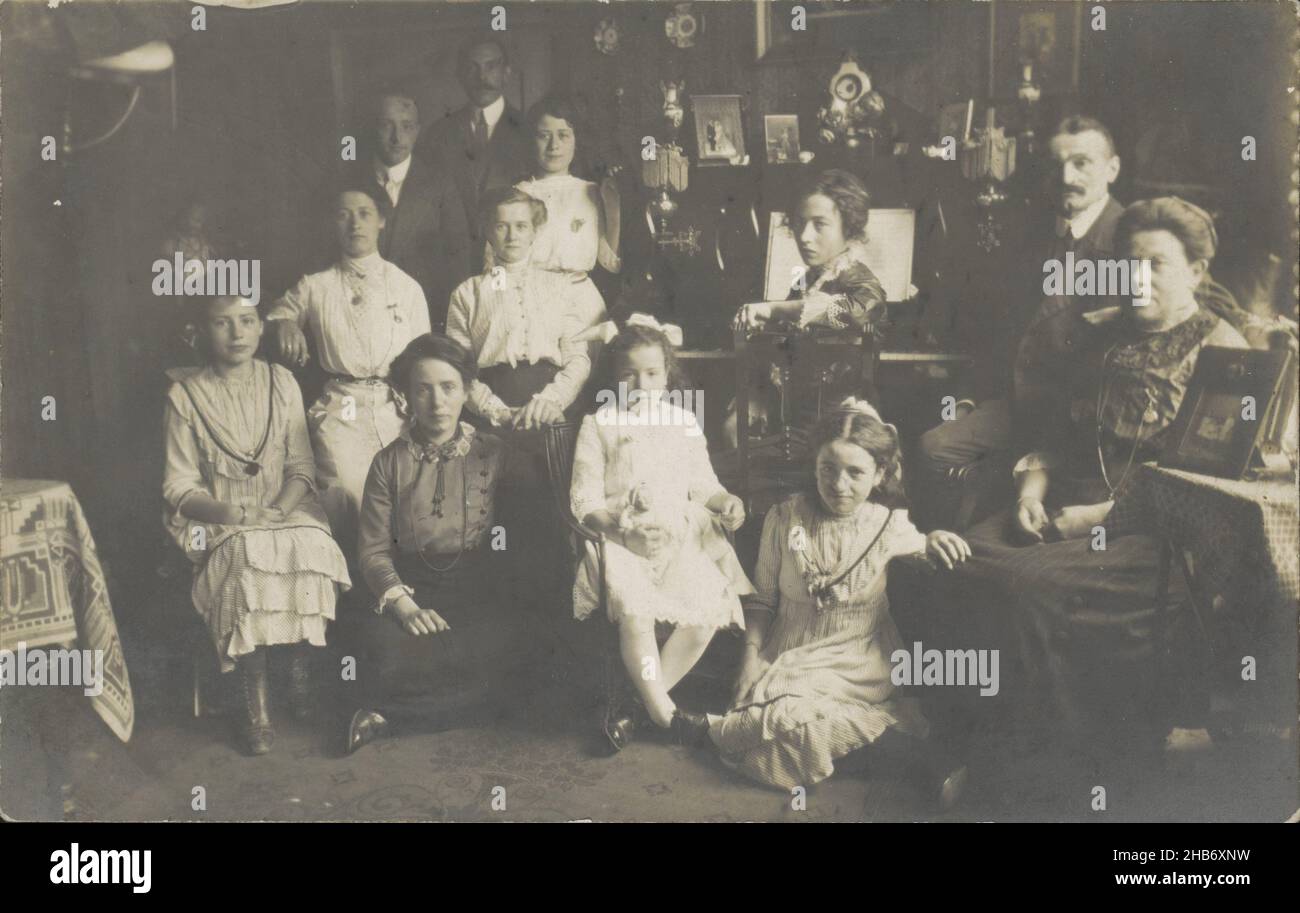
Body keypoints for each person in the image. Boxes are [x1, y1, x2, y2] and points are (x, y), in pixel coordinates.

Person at [948, 197, 1249, 736]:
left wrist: (1096, 519)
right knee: (937, 566)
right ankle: (974, 737)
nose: (1138, 277)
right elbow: (1054, 436)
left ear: (1197, 272)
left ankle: (1052, 761)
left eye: (1156, 264)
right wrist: (1029, 496)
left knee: (1023, 588)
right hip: (1060, 508)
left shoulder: (1222, 351)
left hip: (1154, 536)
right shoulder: (1099, 336)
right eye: (1129, 262)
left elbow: (1211, 484)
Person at [703, 399, 970, 804]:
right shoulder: (784, 517)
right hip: (790, 652)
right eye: (828, 469)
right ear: (814, 467)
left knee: (783, 726)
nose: (839, 485)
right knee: (765, 724)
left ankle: (916, 760)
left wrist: (933, 540)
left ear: (880, 474)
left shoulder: (888, 524)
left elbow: (921, 548)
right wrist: (750, 658)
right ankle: (900, 755)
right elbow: (761, 599)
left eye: (856, 472)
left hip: (858, 657)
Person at [913, 116, 1127, 527]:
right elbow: (1003, 334)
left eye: (1082, 162)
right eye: (1057, 164)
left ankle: (995, 502)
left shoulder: (1127, 238)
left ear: (1112, 169)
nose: (1067, 176)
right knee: (930, 447)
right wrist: (966, 402)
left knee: (990, 493)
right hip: (1021, 406)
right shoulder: (1034, 236)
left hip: (1081, 421)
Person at [162, 295, 351, 755]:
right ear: (201, 332)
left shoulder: (280, 381)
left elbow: (302, 466)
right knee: (246, 555)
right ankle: (255, 699)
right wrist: (236, 515)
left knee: (311, 545)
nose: (237, 333)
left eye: (247, 321)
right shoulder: (184, 394)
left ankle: (299, 668)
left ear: (261, 327)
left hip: (282, 508)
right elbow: (178, 487)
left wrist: (281, 510)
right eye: (222, 324)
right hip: (216, 517)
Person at [569, 316, 753, 748]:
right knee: (636, 611)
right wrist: (621, 535)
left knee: (707, 607)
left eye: (652, 373)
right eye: (628, 374)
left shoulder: (683, 421)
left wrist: (724, 502)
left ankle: (637, 707)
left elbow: (702, 483)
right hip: (620, 539)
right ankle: (669, 718)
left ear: (668, 374)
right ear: (613, 377)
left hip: (678, 538)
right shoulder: (599, 424)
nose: (641, 383)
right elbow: (584, 499)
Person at [347, 334, 522, 753]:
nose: (437, 402)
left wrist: (496, 595)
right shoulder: (388, 462)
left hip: (478, 587)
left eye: (448, 388)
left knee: (517, 648)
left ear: (466, 391)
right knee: (376, 653)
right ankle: (475, 708)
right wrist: (404, 607)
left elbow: (515, 542)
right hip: (413, 587)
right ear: (405, 396)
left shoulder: (494, 453)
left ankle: (388, 719)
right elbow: (372, 550)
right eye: (422, 389)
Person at [266, 185, 432, 554]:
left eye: (364, 213)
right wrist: (287, 324)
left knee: (404, 492)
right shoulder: (317, 285)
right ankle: (354, 586)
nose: (355, 223)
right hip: (343, 404)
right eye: (343, 215)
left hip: (396, 404)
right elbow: (280, 310)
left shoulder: (406, 286)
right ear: (332, 224)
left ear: (382, 221)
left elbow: (425, 358)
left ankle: (396, 585)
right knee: (344, 488)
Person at [729, 169, 887, 447]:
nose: (804, 236)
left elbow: (854, 314)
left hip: (844, 420)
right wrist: (757, 394)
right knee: (735, 435)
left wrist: (775, 309)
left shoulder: (860, 280)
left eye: (819, 224)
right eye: (800, 223)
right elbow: (783, 345)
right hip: (798, 416)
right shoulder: (808, 280)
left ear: (848, 228)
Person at [446, 186, 602, 431]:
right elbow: (457, 368)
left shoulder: (562, 286)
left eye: (521, 226)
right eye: (501, 226)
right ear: (487, 231)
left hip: (550, 411)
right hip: (490, 416)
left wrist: (549, 402)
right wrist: (496, 410)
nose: (512, 236)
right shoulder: (467, 293)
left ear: (534, 232)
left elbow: (578, 359)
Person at [346, 85, 472, 330]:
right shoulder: (349, 182)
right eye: (386, 125)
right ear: (373, 128)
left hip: (423, 315)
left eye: (406, 126)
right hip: (359, 315)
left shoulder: (441, 184)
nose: (397, 137)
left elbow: (458, 258)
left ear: (417, 130)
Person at [422, 32, 530, 274]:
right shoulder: (438, 135)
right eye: (472, 68)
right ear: (460, 76)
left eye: (491, 66)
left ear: (507, 73)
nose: (482, 77)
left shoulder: (531, 131)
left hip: (513, 264)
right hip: (452, 267)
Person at [505, 96, 621, 310]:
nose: (554, 145)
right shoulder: (518, 194)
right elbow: (497, 263)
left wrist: (613, 209)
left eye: (563, 135)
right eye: (544, 136)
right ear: (531, 140)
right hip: (530, 299)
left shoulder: (591, 192)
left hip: (580, 298)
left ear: (577, 141)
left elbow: (608, 261)